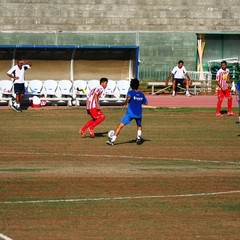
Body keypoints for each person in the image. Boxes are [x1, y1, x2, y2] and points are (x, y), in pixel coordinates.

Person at [106, 78, 148, 145]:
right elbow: (146, 103)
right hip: (138, 113)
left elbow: (128, 98)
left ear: (131, 85)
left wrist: (125, 103)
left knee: (120, 125)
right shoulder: (141, 94)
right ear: (138, 85)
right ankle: (139, 138)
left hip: (130, 113)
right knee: (139, 125)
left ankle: (112, 140)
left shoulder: (130, 92)